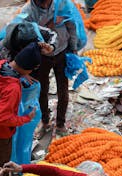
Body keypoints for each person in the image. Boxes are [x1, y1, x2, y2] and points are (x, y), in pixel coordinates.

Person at [0, 42, 40, 176]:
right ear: (30, 69)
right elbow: (2, 118)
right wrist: (25, 118)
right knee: (1, 167)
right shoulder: (12, 88)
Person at [22, 0, 80, 137]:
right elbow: (26, 36)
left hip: (62, 51)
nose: (45, 6)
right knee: (42, 90)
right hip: (41, 57)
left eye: (47, 2)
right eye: (40, 3)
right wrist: (46, 25)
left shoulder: (62, 5)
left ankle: (60, 123)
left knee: (63, 89)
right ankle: (45, 121)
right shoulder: (27, 12)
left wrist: (74, 48)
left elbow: (71, 26)